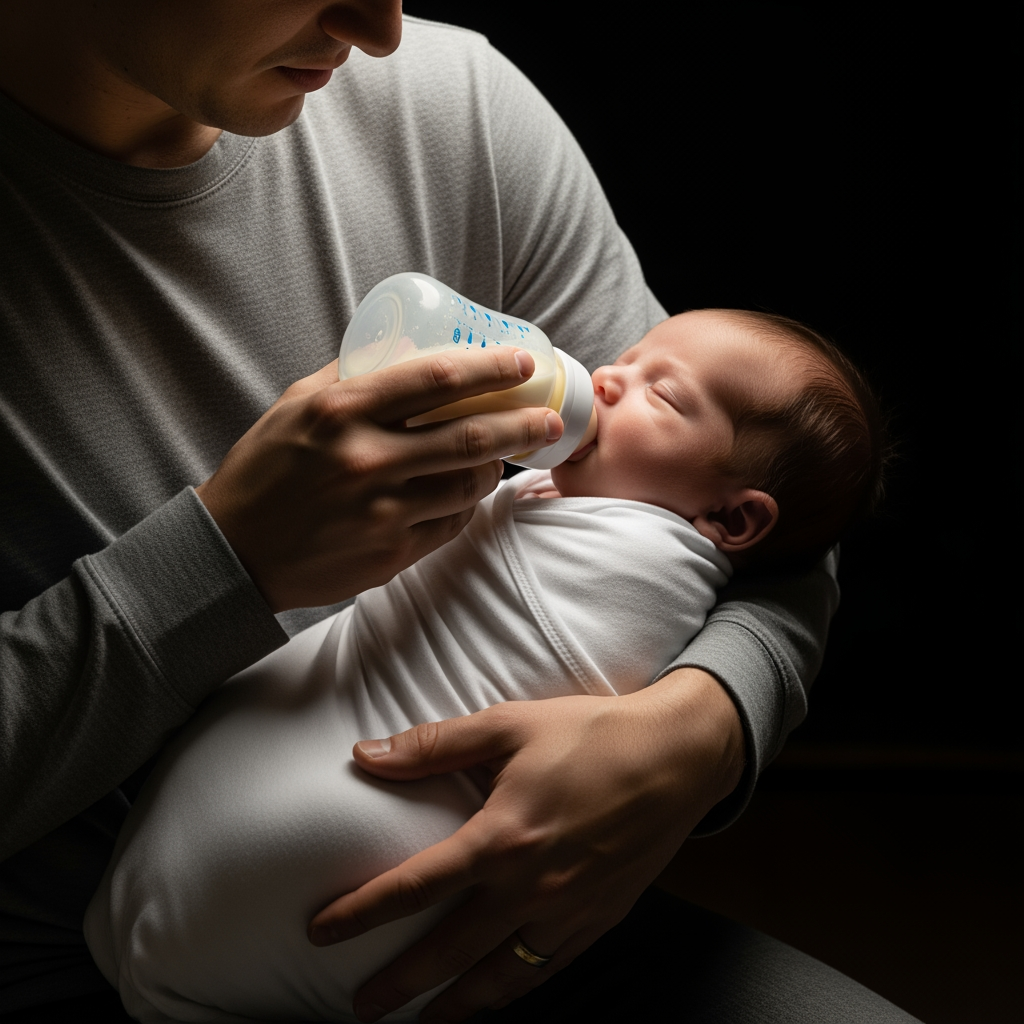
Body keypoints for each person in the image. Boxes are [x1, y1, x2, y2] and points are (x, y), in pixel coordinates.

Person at [0, 4, 917, 1022]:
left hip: (464, 929)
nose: (380, 29)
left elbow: (775, 517)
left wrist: (696, 729)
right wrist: (222, 564)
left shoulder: (454, 108)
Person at [83, 308, 885, 1023]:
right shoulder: (595, 483)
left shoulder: (650, 563)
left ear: (731, 519)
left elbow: (805, 571)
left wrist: (702, 725)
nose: (604, 379)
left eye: (661, 394)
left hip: (349, 910)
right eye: (627, 358)